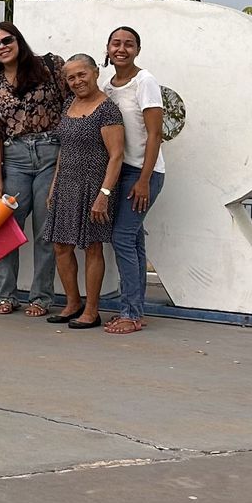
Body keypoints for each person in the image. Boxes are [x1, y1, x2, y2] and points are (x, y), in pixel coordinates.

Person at [0, 21, 68, 317]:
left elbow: (72, 105)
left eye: (7, 40)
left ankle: (41, 297)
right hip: (14, 157)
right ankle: (5, 294)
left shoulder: (49, 67)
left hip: (50, 154)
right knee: (4, 227)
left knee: (45, 229)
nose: (2, 46)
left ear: (19, 40)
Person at [44, 56, 125, 329]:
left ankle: (91, 310)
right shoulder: (69, 104)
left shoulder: (108, 110)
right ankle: (72, 303)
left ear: (95, 72)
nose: (77, 81)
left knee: (92, 247)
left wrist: (104, 194)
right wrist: (54, 186)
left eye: (82, 74)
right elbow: (64, 150)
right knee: (60, 246)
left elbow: (116, 156)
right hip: (66, 184)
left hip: (94, 187)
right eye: (71, 78)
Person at [101, 25, 166, 335]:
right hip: (120, 172)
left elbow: (155, 134)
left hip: (143, 173)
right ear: (108, 48)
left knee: (123, 238)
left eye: (128, 44)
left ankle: (129, 313)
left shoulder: (145, 82)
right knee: (134, 239)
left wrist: (143, 179)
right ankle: (136, 309)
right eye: (116, 43)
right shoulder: (109, 86)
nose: (121, 49)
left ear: (137, 50)